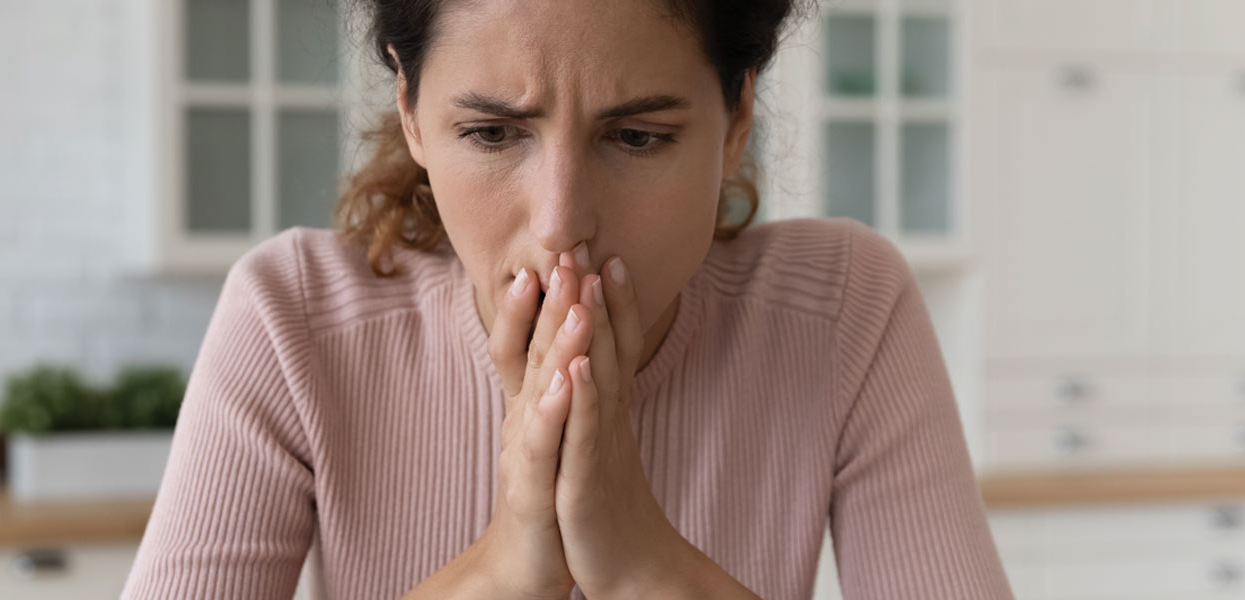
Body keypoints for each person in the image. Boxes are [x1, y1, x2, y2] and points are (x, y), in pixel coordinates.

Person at [122, 0, 1015, 597]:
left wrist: (635, 559)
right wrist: (507, 564)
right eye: (492, 133)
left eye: (636, 136)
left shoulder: (841, 311)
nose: (560, 225)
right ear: (409, 110)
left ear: (738, 115)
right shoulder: (294, 321)